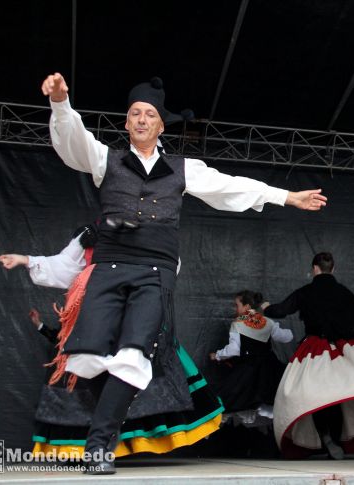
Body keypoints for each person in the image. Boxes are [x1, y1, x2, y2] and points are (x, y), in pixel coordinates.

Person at [39, 72, 325, 474]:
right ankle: (104, 425)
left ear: (160, 125)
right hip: (109, 268)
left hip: (155, 273)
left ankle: (98, 446)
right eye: (134, 113)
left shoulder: (183, 168)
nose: (141, 119)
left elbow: (230, 187)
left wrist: (287, 196)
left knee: (134, 354)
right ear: (126, 122)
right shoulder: (106, 160)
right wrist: (60, 103)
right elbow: (72, 143)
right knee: (87, 354)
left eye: (149, 114)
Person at [0, 228, 226, 461]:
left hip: (138, 312)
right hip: (100, 312)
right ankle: (102, 441)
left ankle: (106, 443)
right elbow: (65, 266)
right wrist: (26, 260)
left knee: (136, 371)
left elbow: (169, 268)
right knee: (88, 372)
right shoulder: (92, 233)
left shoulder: (156, 233)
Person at [263, 252, 354, 459]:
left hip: (316, 348)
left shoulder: (306, 291)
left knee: (316, 395)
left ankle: (326, 436)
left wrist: (266, 307)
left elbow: (281, 310)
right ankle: (334, 440)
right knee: (337, 395)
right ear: (333, 269)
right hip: (343, 348)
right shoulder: (342, 292)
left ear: (314, 269)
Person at [210, 290, 292, 429]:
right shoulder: (267, 322)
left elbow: (234, 350)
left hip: (249, 368)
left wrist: (217, 355)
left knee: (231, 397)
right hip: (268, 367)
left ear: (247, 307)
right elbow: (287, 337)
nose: (235, 308)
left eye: (237, 305)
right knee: (270, 395)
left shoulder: (238, 323)